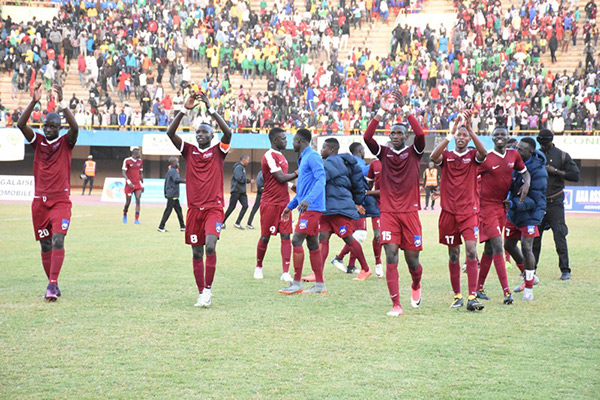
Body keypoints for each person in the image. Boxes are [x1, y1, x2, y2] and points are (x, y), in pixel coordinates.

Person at [165, 90, 232, 308]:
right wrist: (185, 108)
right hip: (194, 210)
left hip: (214, 208)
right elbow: (170, 132)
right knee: (196, 252)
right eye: (198, 132)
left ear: (212, 136)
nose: (200, 134)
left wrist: (211, 108)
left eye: (205, 132)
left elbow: (229, 133)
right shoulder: (189, 151)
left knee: (210, 247)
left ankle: (209, 290)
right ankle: (201, 292)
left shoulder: (218, 152)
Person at [363, 91, 424, 317]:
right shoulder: (384, 153)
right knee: (390, 253)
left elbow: (420, 134)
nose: (395, 135)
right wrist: (381, 111)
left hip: (410, 213)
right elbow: (367, 138)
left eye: (400, 132)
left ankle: (416, 284)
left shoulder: (415, 152)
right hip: (388, 211)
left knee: (412, 260)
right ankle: (396, 304)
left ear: (406, 136)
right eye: (392, 133)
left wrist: (406, 109)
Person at [17, 82, 79, 301]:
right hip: (39, 204)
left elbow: (75, 128)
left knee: (58, 240)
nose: (48, 129)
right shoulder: (38, 141)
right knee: (44, 245)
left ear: (59, 128)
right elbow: (20, 124)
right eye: (46, 126)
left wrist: (62, 104)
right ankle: (54, 282)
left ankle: (51, 285)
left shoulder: (66, 142)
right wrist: (34, 100)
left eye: (53, 126)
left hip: (60, 201)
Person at [430, 110, 488, 311]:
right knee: (453, 255)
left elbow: (485, 153)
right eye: (459, 134)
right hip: (448, 213)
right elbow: (432, 156)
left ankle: (472, 296)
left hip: (468, 212)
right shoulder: (447, 155)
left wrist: (471, 130)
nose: (461, 138)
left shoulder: (473, 155)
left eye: (464, 135)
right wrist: (450, 132)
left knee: (471, 251)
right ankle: (457, 296)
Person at [475, 127, 530, 304]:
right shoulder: (485, 158)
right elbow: (471, 177)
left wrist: (526, 184)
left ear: (508, 138)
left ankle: (479, 288)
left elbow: (525, 172)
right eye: (496, 135)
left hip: (501, 207)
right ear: (492, 138)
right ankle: (506, 292)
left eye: (503, 135)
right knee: (498, 246)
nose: (500, 137)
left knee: (489, 249)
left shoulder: (513, 155)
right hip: (486, 208)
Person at [307, 138, 372, 282]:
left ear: (330, 149)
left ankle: (366, 269)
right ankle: (317, 273)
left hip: (338, 208)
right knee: (322, 238)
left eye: (323, 147)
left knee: (348, 238)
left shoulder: (331, 162)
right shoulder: (338, 162)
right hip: (329, 207)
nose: (321, 150)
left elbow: (320, 179)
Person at [279, 128, 327, 295]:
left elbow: (322, 179)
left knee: (296, 240)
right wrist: (290, 206)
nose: (292, 143)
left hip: (312, 208)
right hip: (307, 207)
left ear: (299, 140)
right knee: (312, 244)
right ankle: (320, 284)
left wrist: (309, 200)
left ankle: (297, 283)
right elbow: (302, 190)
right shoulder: (303, 158)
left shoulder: (312, 156)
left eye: (293, 140)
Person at [504, 137, 548, 301]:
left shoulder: (538, 171)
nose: (517, 151)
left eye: (521, 149)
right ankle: (527, 274)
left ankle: (528, 288)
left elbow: (535, 200)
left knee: (526, 247)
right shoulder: (514, 162)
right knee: (508, 244)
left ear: (530, 152)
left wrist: (514, 204)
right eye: (517, 148)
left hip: (531, 212)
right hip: (514, 211)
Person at [533, 129, 580, 280]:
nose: (543, 145)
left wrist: (556, 171)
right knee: (535, 238)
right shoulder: (535, 155)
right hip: (539, 203)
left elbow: (575, 176)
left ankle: (565, 270)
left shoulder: (562, 155)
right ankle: (531, 270)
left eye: (544, 142)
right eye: (541, 142)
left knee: (560, 236)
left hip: (555, 202)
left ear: (550, 141)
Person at [331, 142, 382, 276]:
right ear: (360, 150)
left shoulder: (345, 164)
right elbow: (365, 176)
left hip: (349, 202)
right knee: (359, 234)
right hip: (359, 203)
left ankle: (351, 265)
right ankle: (339, 258)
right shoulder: (359, 165)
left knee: (356, 234)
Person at [254, 128, 297, 281]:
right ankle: (258, 266)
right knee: (265, 237)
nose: (286, 141)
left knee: (286, 236)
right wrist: (297, 174)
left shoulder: (282, 157)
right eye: (283, 138)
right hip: (270, 203)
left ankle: (285, 272)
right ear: (275, 140)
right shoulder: (269, 156)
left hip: (284, 203)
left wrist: (292, 186)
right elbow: (279, 178)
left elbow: (283, 181)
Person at [223, 154, 252, 229]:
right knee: (231, 207)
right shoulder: (238, 167)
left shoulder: (242, 168)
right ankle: (221, 222)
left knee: (245, 206)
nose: (248, 161)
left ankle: (237, 223)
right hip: (236, 190)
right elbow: (239, 178)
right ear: (244, 159)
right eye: (248, 160)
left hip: (242, 191)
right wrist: (248, 181)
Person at [157, 156, 186, 233]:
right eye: (177, 162)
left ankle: (182, 226)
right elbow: (176, 180)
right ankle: (161, 226)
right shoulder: (173, 171)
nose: (178, 163)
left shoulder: (171, 171)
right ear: (173, 163)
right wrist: (186, 181)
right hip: (172, 195)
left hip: (173, 195)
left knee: (179, 211)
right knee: (168, 211)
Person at [122, 147, 144, 224]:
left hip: (137, 183)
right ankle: (125, 214)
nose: (140, 155)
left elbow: (141, 173)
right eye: (139, 153)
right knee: (128, 201)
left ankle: (136, 219)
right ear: (135, 154)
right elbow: (124, 172)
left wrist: (142, 184)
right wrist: (128, 181)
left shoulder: (140, 161)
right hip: (129, 184)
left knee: (138, 199)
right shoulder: (127, 160)